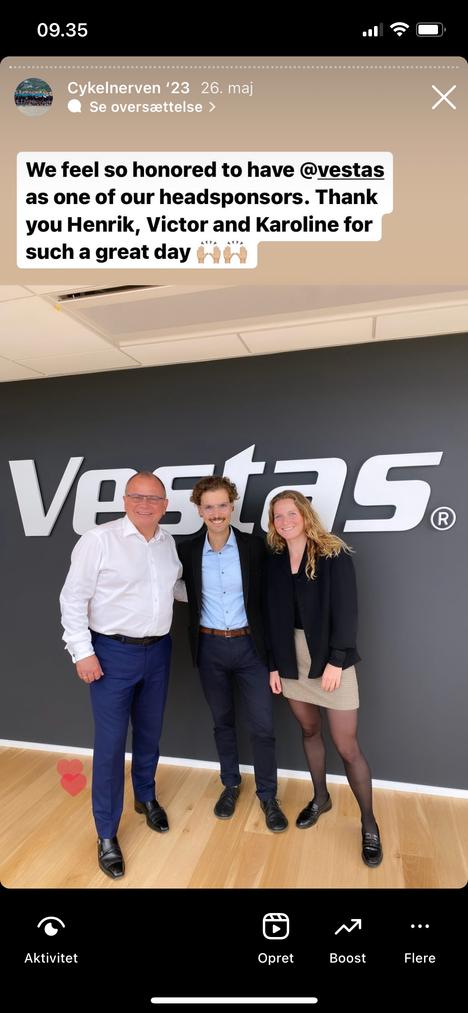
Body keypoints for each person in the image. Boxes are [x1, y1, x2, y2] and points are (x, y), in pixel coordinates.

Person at [60, 471, 183, 879]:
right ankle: (107, 833)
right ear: (125, 500)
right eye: (137, 496)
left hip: (159, 651)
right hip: (111, 654)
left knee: (149, 733)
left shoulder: (167, 544)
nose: (145, 504)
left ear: (165, 506)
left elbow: (170, 589)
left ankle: (145, 797)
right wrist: (82, 652)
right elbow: (73, 599)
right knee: (111, 746)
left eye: (154, 498)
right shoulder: (99, 540)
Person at [265, 490, 382, 867]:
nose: (285, 521)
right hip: (290, 658)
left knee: (347, 746)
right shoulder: (274, 559)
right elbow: (270, 617)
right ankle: (321, 798)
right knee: (309, 731)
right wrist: (273, 664)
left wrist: (336, 661)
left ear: (305, 514)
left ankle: (368, 823)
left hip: (331, 657)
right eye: (277, 516)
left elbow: (348, 613)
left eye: (291, 513)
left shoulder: (333, 552)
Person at [176, 476, 288, 833]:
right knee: (222, 722)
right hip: (209, 648)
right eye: (208, 506)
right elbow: (174, 587)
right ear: (199, 510)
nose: (216, 513)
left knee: (263, 726)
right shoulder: (187, 550)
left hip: (250, 649)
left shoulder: (254, 547)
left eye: (222, 505)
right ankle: (230, 784)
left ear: (232, 506)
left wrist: (274, 658)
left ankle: (268, 796)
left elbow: (270, 602)